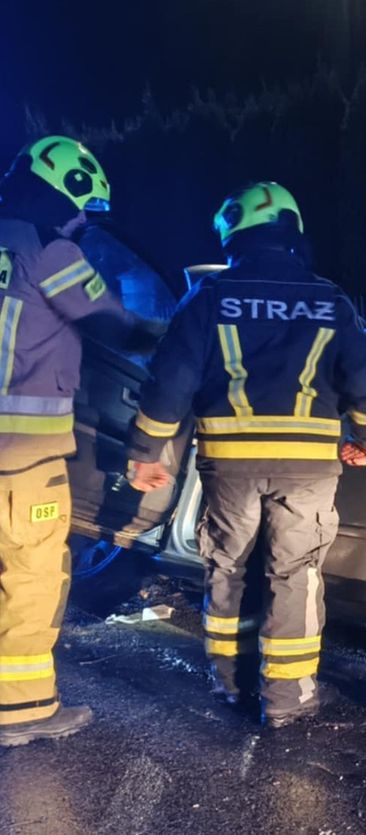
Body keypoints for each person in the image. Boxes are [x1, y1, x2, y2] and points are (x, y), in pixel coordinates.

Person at [127, 182, 366, 728]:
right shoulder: (329, 299)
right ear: (292, 233)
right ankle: (287, 701)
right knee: (295, 573)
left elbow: (169, 378)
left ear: (232, 237)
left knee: (230, 566)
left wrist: (149, 450)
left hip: (230, 466)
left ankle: (230, 684)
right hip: (309, 469)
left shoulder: (210, 296)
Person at [0, 135, 161, 747]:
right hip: (23, 457)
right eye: (83, 212)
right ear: (63, 196)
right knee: (33, 575)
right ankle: (25, 710)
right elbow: (109, 323)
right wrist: (169, 338)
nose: (84, 225)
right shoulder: (51, 248)